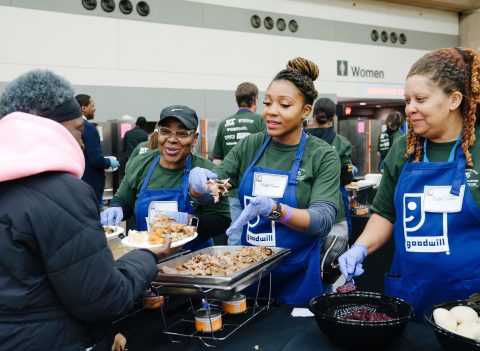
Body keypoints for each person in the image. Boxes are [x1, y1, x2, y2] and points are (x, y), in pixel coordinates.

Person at [0, 69, 174, 350]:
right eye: (79, 130)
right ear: (50, 127)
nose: (82, 143)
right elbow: (104, 298)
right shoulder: (62, 192)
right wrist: (145, 257)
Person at [339, 47, 480, 321]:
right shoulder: (404, 149)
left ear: (454, 99)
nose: (409, 108)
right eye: (407, 100)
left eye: (420, 99)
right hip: (410, 291)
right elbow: (386, 213)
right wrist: (360, 247)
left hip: (469, 301)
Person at [189, 57, 341, 306]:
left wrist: (276, 210)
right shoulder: (251, 145)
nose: (271, 111)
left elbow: (322, 220)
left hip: (298, 275)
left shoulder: (322, 155)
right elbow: (216, 187)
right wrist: (198, 188)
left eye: (284, 104)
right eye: (268, 102)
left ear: (305, 111)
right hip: (251, 272)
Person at [101, 105, 231, 251]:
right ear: (158, 133)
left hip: (193, 260)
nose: (172, 139)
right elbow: (124, 199)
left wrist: (189, 223)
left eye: (182, 133)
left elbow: (222, 220)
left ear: (194, 138)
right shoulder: (140, 163)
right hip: (146, 260)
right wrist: (116, 208)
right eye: (165, 131)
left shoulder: (209, 172)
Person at [212, 82, 266, 245]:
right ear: (255, 100)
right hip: (256, 191)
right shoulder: (260, 121)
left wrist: (216, 191)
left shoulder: (224, 124)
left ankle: (235, 270)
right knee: (259, 235)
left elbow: (217, 161)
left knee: (234, 233)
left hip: (231, 191)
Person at [305, 97, 354, 238]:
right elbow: (347, 177)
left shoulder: (302, 141)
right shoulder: (341, 143)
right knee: (335, 254)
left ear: (313, 114)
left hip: (304, 211)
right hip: (335, 208)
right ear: (333, 117)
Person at [76, 93, 119, 209]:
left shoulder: (72, 127)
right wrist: (109, 162)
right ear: (84, 108)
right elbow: (95, 160)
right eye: (92, 105)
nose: (95, 109)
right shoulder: (89, 128)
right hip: (91, 187)